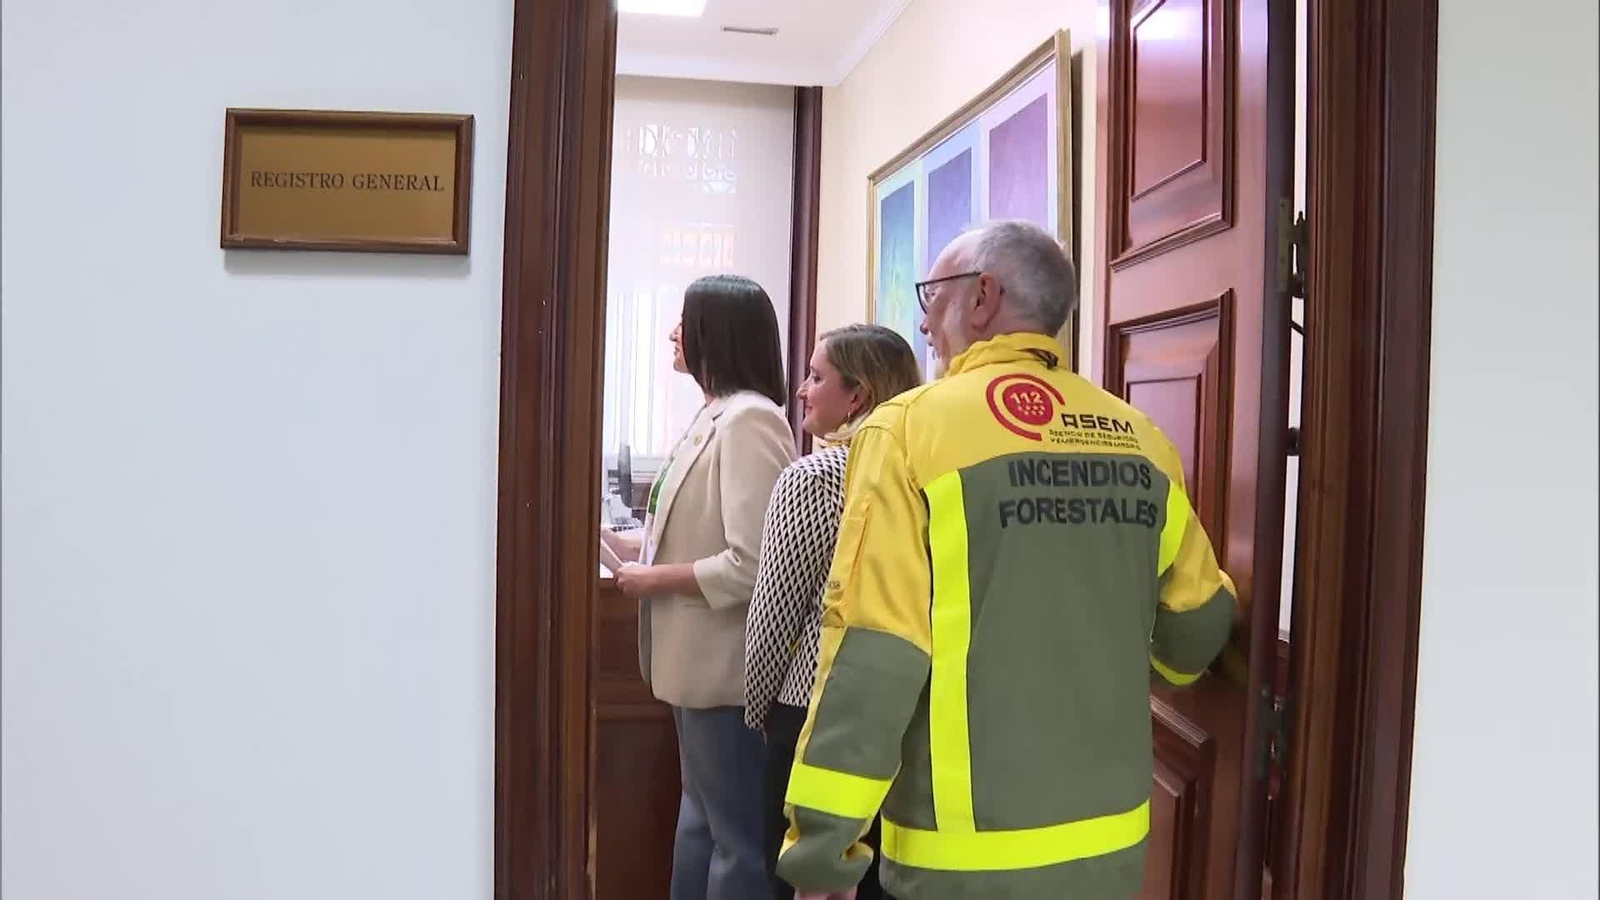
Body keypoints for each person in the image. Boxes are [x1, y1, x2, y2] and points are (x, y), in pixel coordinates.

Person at [777, 222, 1237, 900]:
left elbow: (874, 653)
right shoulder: (1140, 439)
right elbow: (1196, 631)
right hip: (1109, 847)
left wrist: (823, 850)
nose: (924, 320)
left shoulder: (906, 430)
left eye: (932, 294)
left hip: (964, 859)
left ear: (983, 296)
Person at [601, 274, 796, 900]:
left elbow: (751, 562)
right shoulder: (712, 415)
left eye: (685, 320)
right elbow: (684, 536)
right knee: (697, 824)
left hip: (728, 673)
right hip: (691, 670)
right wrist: (619, 547)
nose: (672, 333)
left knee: (733, 839)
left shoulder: (751, 422)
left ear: (718, 331)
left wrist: (648, 578)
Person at [743, 324, 923, 900]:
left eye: (817, 377)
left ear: (859, 397)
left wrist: (758, 712)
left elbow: (775, 614)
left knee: (803, 879)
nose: (801, 389)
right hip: (908, 714)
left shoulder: (813, 479)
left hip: (814, 713)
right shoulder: (926, 472)